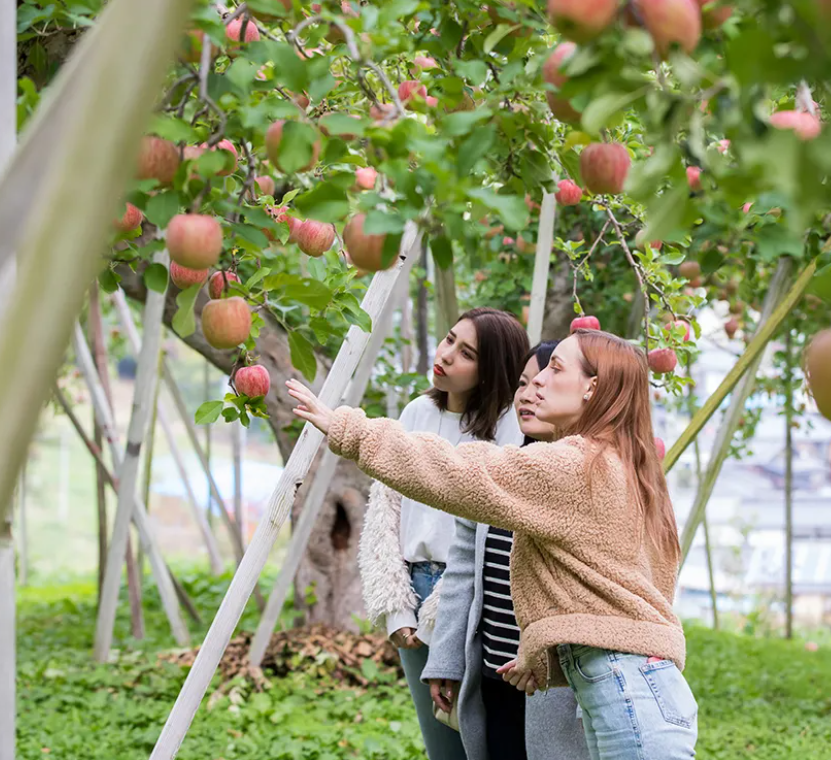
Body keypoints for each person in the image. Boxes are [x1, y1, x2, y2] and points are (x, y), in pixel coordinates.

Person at [289, 330, 698, 760]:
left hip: (628, 692)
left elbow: (460, 472)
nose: (537, 380)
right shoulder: (626, 463)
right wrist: (543, 649)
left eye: (556, 369)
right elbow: (621, 589)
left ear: (592, 387)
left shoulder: (576, 463)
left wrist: (349, 430)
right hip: (645, 684)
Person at [356, 307, 528, 760]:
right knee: (442, 743)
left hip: (473, 599)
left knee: (482, 736)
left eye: (466, 352)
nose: (447, 355)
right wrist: (395, 610)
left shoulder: (510, 426)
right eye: (449, 339)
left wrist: (444, 615)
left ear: (491, 370)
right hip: (412, 591)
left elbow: (494, 534)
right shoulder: (416, 411)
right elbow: (385, 513)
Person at [422, 341, 588, 760]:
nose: (528, 393)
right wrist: (446, 660)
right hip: (492, 677)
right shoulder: (499, 471)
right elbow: (461, 571)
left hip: (557, 689)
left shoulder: (589, 482)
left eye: (544, 382)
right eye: (522, 382)